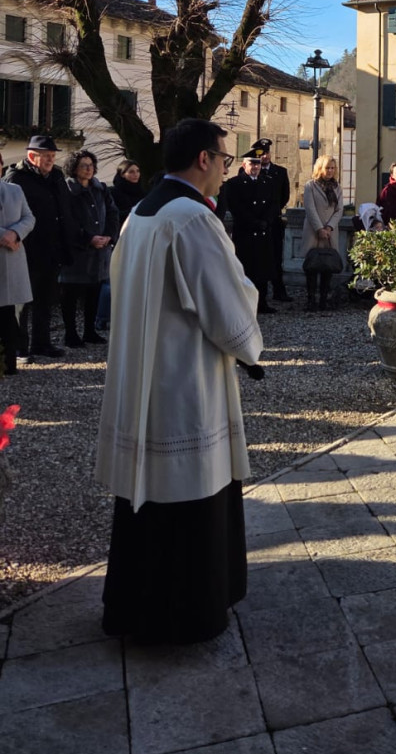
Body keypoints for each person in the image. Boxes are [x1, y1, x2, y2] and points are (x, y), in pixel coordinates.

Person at [95, 118, 264, 644]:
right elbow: (226, 304)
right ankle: (187, 613)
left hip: (143, 374)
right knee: (190, 490)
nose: (226, 170)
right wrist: (250, 345)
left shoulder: (142, 213)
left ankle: (134, 609)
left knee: (147, 500)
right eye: (224, 159)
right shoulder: (192, 219)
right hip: (184, 379)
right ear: (203, 159)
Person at [5, 134, 75, 361]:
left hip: (52, 248)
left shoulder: (56, 176)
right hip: (26, 248)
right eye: (46, 156)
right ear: (32, 156)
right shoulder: (16, 178)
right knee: (22, 301)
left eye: (53, 155)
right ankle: (19, 347)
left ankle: (41, 343)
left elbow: (64, 208)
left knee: (46, 298)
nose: (51, 160)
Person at [60, 149, 120, 348]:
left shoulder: (101, 188)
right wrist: (88, 238)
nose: (88, 169)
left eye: (91, 165)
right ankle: (70, 334)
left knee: (94, 292)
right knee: (71, 294)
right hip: (76, 252)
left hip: (99, 251)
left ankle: (89, 331)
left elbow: (113, 213)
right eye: (83, 165)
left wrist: (109, 236)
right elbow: (67, 221)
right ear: (74, 168)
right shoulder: (67, 190)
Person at [221, 155, 279, 314]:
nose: (255, 167)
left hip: (263, 232)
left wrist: (266, 220)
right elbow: (235, 206)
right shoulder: (235, 183)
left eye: (258, 164)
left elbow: (274, 203)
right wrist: (253, 222)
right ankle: (244, 303)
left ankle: (262, 302)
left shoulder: (267, 182)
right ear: (244, 165)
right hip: (245, 231)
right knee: (246, 269)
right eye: (252, 164)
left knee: (263, 270)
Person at [0, 150, 34, 378]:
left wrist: (15, 233)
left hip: (11, 258)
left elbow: (29, 217)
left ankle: (9, 363)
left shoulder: (15, 190)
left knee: (8, 315)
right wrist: (3, 235)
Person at [302, 155, 344, 311]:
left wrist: (329, 227)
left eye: (332, 168)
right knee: (312, 267)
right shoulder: (310, 186)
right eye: (327, 168)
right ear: (320, 168)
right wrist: (319, 228)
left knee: (328, 266)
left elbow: (339, 210)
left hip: (330, 233)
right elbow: (310, 209)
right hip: (313, 231)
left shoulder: (337, 187)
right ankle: (311, 299)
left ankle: (324, 300)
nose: (330, 171)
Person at [251, 139, 291, 302]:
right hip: (256, 222)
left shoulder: (280, 172)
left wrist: (272, 212)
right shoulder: (250, 170)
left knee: (276, 257)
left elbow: (284, 196)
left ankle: (278, 290)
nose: (265, 156)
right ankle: (258, 294)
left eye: (266, 152)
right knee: (256, 258)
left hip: (274, 221)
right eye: (261, 153)